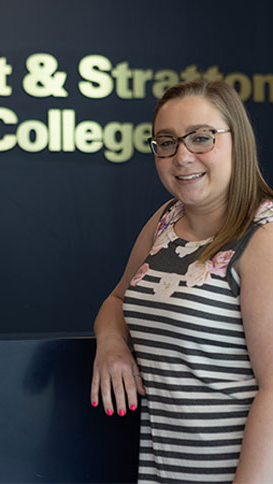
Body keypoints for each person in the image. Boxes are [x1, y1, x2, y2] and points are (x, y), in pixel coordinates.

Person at [90, 79, 273, 483]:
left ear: (237, 140)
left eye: (201, 138)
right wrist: (112, 344)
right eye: (167, 142)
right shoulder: (166, 221)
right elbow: (117, 301)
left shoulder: (263, 236)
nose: (182, 156)